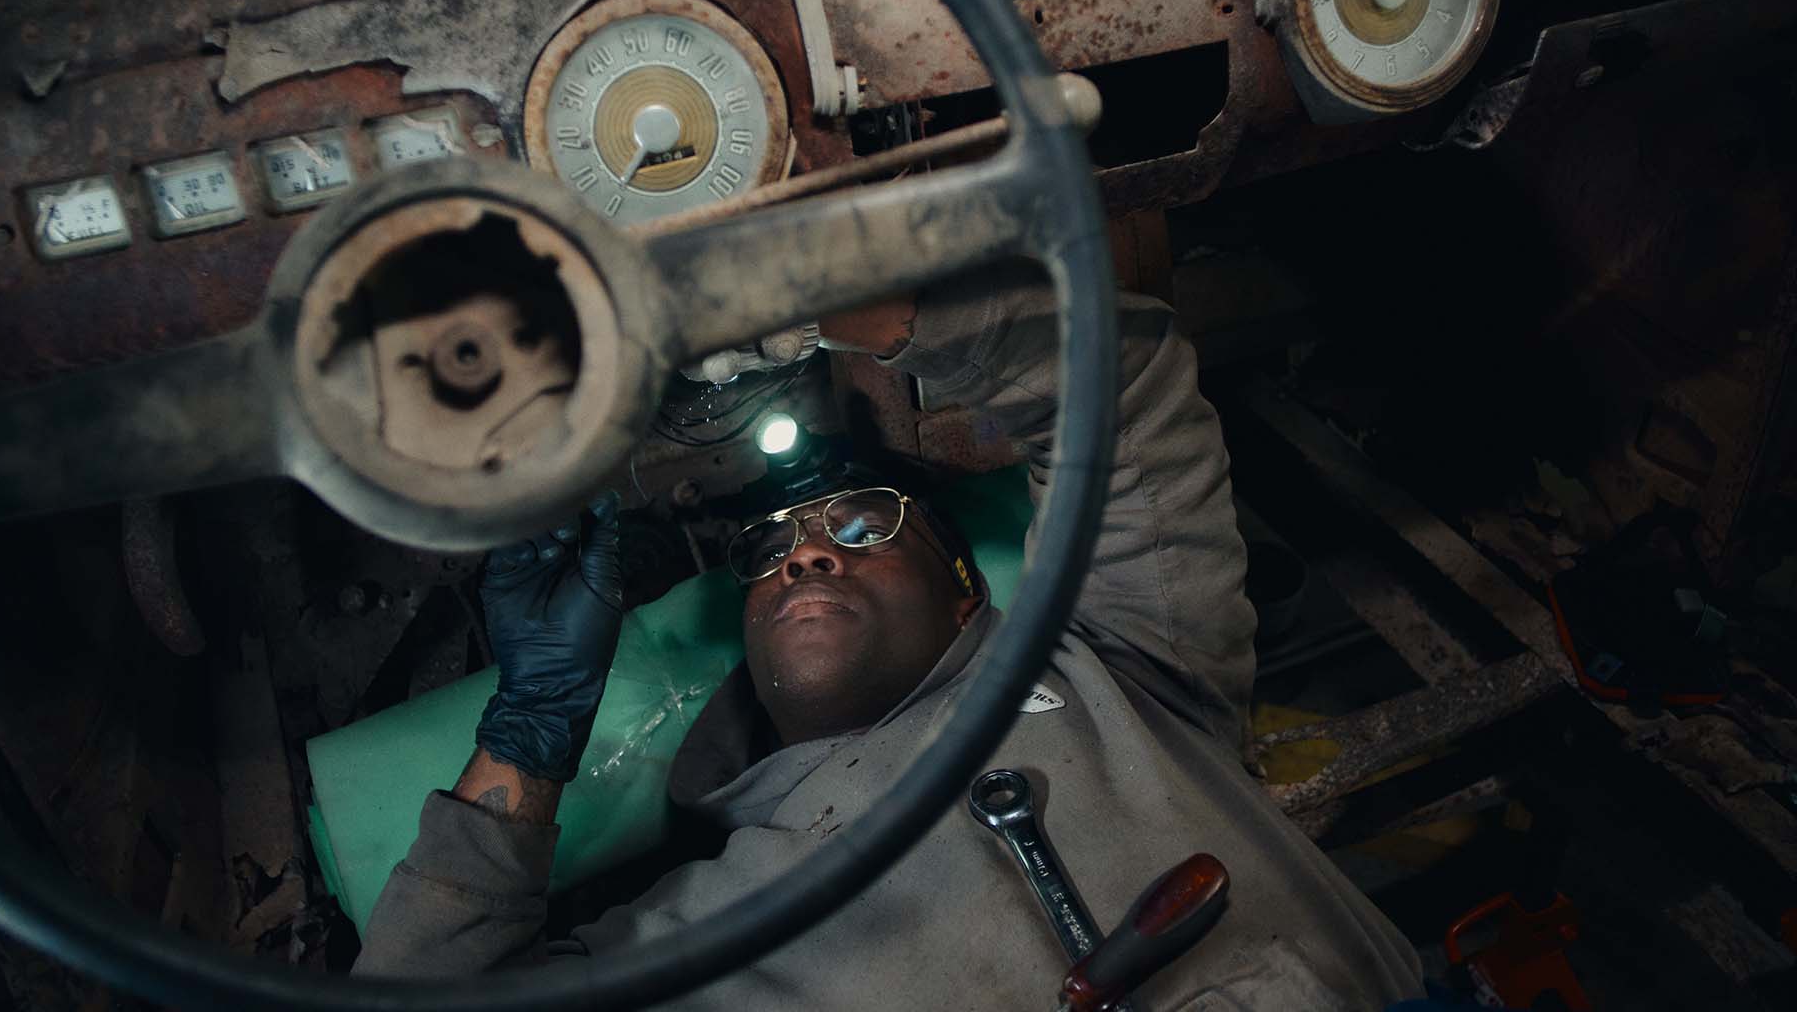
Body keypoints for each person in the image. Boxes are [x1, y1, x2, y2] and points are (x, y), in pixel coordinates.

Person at [354, 271, 1426, 1009]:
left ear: (965, 592)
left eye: (862, 526)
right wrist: (533, 725)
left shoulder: (1130, 669)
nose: (804, 557)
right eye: (770, 552)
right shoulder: (694, 934)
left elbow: (1122, 385)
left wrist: (828, 295)